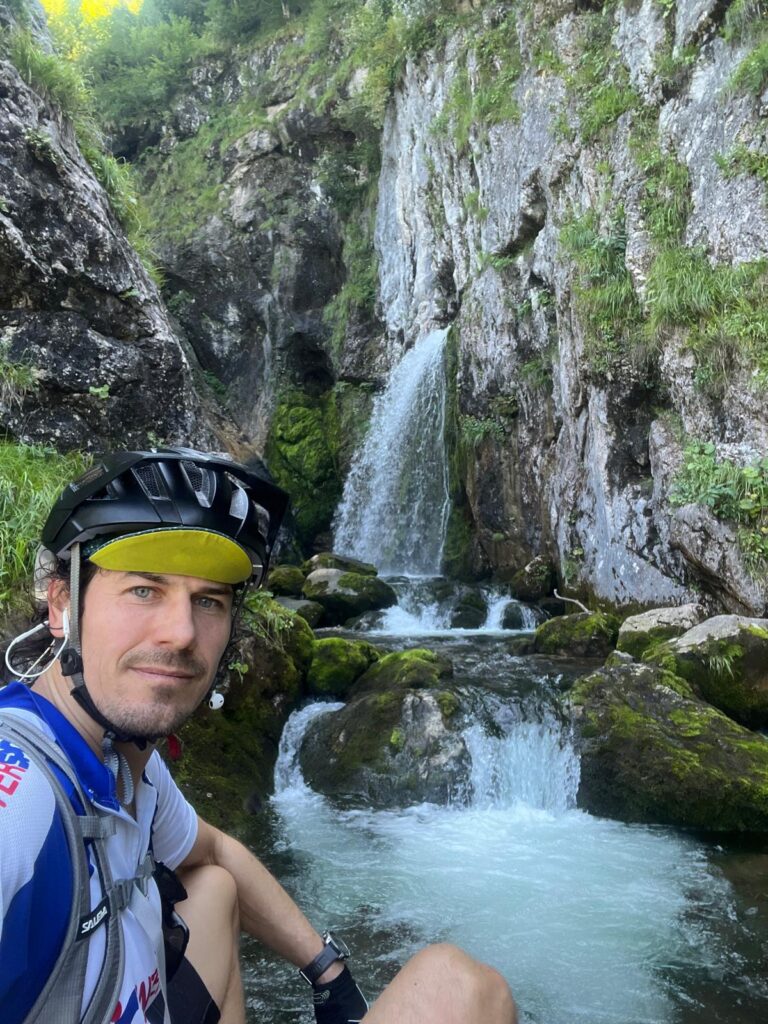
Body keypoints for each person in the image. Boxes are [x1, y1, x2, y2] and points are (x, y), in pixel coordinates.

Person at [0, 447, 517, 1024]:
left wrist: (327, 971)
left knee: (214, 888)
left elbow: (218, 849)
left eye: (208, 601)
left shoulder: (125, 763)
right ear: (62, 605)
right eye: (144, 590)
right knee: (466, 990)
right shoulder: (20, 802)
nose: (180, 633)